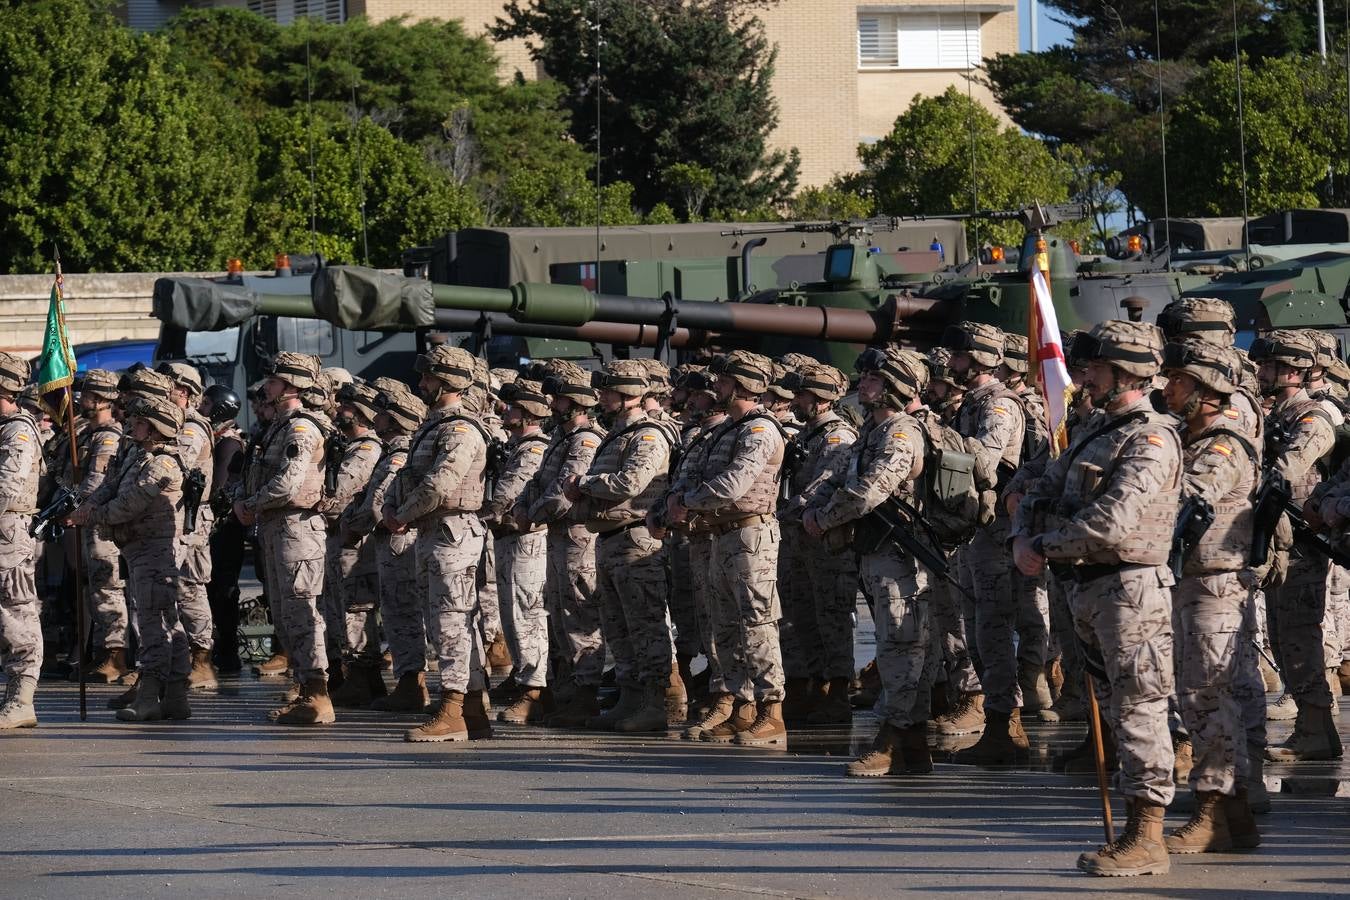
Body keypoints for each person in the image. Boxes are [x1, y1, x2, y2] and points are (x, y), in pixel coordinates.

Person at [1012, 320, 1181, 877]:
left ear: (1128, 374)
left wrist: (1043, 544)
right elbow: (1041, 490)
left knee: (1139, 709)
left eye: (1097, 370)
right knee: (1113, 707)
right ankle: (1133, 828)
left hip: (1129, 590)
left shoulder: (1151, 439)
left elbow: (1112, 522)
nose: (1085, 379)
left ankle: (1147, 834)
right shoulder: (1095, 431)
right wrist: (1023, 538)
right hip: (1085, 588)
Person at [802, 347, 936, 776]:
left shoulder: (901, 434)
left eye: (874, 379)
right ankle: (913, 745)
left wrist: (823, 519)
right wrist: (811, 508)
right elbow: (837, 478)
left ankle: (893, 739)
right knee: (895, 644)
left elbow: (870, 491)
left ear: (896, 388)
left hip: (901, 556)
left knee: (901, 646)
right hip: (875, 555)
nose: (863, 384)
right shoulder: (871, 432)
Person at [1157, 340, 1262, 853]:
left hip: (1216, 586)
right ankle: (1233, 814)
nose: (1168, 388)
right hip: (1192, 583)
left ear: (1206, 390)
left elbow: (1184, 497)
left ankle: (1215, 811)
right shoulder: (1186, 437)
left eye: (1178, 381)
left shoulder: (1224, 447)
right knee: (1197, 696)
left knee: (1207, 697)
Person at [668, 351, 787, 747]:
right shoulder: (726, 430)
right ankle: (741, 705)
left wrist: (688, 502)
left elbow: (734, 483)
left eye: (724, 381)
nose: (716, 386)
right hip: (721, 534)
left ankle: (772, 712)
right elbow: (697, 476)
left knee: (756, 623)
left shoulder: (760, 430)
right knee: (725, 626)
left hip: (751, 537)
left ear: (743, 385)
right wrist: (676, 502)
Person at [385, 345, 490, 743]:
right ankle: (472, 711)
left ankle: (453, 711)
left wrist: (402, 514)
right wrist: (393, 507)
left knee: (452, 624)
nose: (422, 383)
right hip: (434, 531)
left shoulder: (460, 430)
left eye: (429, 377)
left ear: (447, 382)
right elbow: (406, 477)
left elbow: (440, 483)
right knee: (448, 621)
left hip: (452, 532)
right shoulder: (433, 427)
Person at [565, 360, 677, 732]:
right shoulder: (617, 435)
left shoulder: (648, 435)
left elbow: (632, 482)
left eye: (608, 391)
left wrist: (584, 484)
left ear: (628, 394)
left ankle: (654, 703)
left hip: (635, 540)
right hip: (610, 538)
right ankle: (630, 698)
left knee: (645, 625)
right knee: (618, 628)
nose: (601, 397)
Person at [75, 397, 193, 723]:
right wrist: (88, 505)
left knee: (155, 625)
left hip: (155, 552)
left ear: (157, 429)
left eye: (141, 422)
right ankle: (175, 697)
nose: (133, 426)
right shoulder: (140, 457)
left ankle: (151, 697)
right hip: (138, 550)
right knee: (166, 621)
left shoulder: (162, 464)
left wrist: (93, 516)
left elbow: (129, 504)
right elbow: (112, 486)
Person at [942, 321, 1028, 764]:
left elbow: (984, 462)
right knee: (976, 629)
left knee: (992, 629)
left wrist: (939, 440)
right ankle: (998, 718)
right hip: (971, 530)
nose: (952, 363)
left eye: (959, 356)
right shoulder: (970, 405)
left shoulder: (999, 406)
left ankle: (1005, 723)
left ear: (977, 359)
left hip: (993, 533)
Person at [234, 353, 333, 726]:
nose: (267, 387)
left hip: (298, 528)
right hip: (278, 526)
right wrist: (244, 501)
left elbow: (289, 483)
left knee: (301, 613)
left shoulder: (301, 428)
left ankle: (318, 696)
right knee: (284, 613)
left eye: (274, 382)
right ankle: (304, 688)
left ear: (292, 387)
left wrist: (251, 504)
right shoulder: (278, 426)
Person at [515, 361, 605, 729]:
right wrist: (524, 506)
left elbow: (565, 491)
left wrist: (532, 513)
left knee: (580, 614)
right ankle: (567, 689)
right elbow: (537, 481)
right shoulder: (560, 439)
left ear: (577, 402)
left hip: (576, 537)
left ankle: (586, 694)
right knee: (558, 611)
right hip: (556, 536)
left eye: (559, 399)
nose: (551, 404)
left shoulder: (586, 440)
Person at [777, 361, 859, 724]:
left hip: (827, 544)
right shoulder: (807, 435)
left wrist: (782, 511)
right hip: (800, 542)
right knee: (801, 617)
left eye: (803, 395)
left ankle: (837, 691)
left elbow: (823, 486)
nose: (796, 401)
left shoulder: (838, 436)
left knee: (832, 618)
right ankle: (811, 686)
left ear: (823, 399)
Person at [484, 380, 551, 723]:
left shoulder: (534, 449)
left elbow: (506, 495)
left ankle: (534, 690)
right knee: (512, 614)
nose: (506, 412)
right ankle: (524, 678)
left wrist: (476, 513)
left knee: (527, 614)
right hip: (507, 539)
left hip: (526, 541)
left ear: (528, 413)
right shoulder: (514, 447)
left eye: (513, 408)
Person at [324, 382, 387, 707]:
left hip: (356, 542)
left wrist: (315, 503)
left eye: (347, 406)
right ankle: (361, 677)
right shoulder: (351, 446)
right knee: (344, 607)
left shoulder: (366, 449)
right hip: (343, 539)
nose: (339, 411)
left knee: (356, 609)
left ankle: (363, 676)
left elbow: (338, 493)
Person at [156, 362, 218, 691]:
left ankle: (202, 660)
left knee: (190, 587)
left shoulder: (192, 427)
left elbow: (177, 464)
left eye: (167, 385)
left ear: (184, 391)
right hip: (172, 515)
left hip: (192, 518)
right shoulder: (172, 423)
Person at [70, 369, 130, 684]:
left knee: (108, 586)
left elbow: (96, 481)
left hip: (100, 521)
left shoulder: (109, 436)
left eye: (88, 395)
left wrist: (74, 508)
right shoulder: (87, 433)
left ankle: (116, 653)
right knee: (94, 588)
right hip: (87, 518)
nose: (81, 399)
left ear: (103, 399)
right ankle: (100, 651)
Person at [0, 354, 45, 730]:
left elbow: (8, 485)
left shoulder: (19, 431)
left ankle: (21, 699)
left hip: (9, 533)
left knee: (15, 613)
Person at [201, 383, 247, 674]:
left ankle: (228, 651)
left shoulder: (228, 442)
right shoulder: (214, 437)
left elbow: (217, 486)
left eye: (206, 404)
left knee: (223, 588)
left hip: (224, 527)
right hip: (216, 525)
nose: (201, 408)